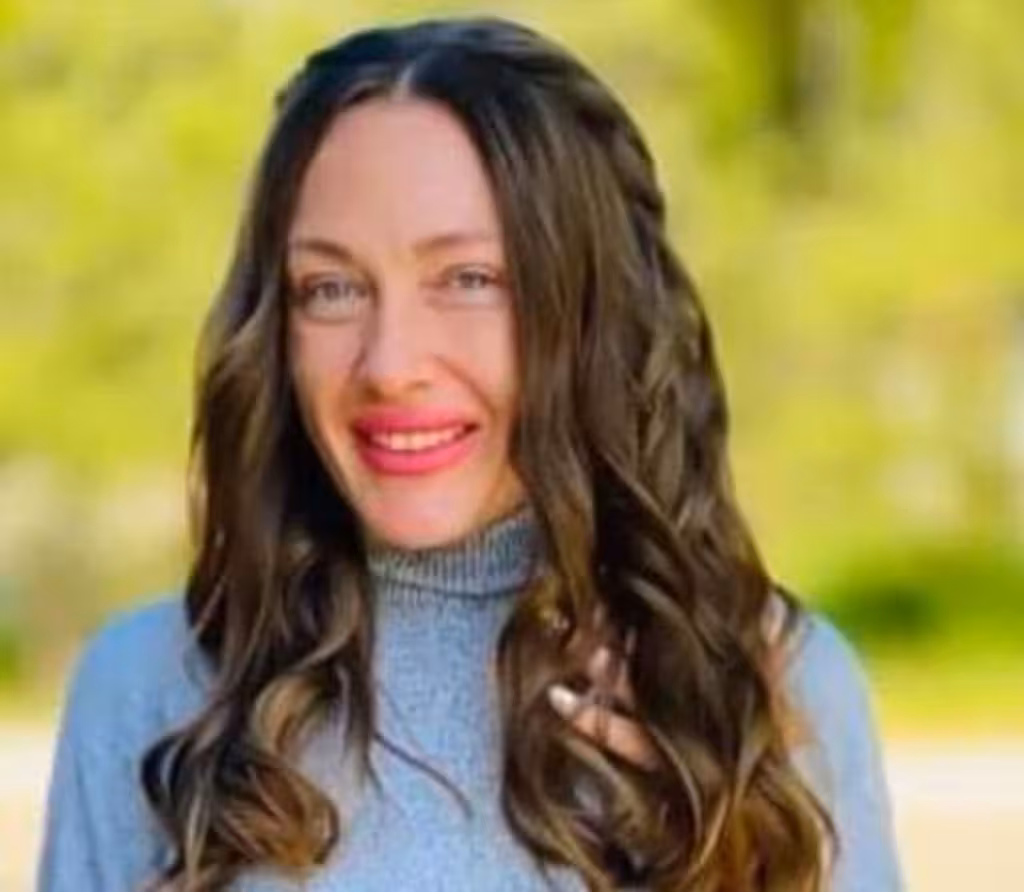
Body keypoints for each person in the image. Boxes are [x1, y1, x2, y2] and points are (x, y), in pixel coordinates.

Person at [37, 16, 903, 892]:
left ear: (588, 310)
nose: (390, 365)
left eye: (469, 280)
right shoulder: (152, 692)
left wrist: (713, 856)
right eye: (330, 288)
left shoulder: (768, 689)